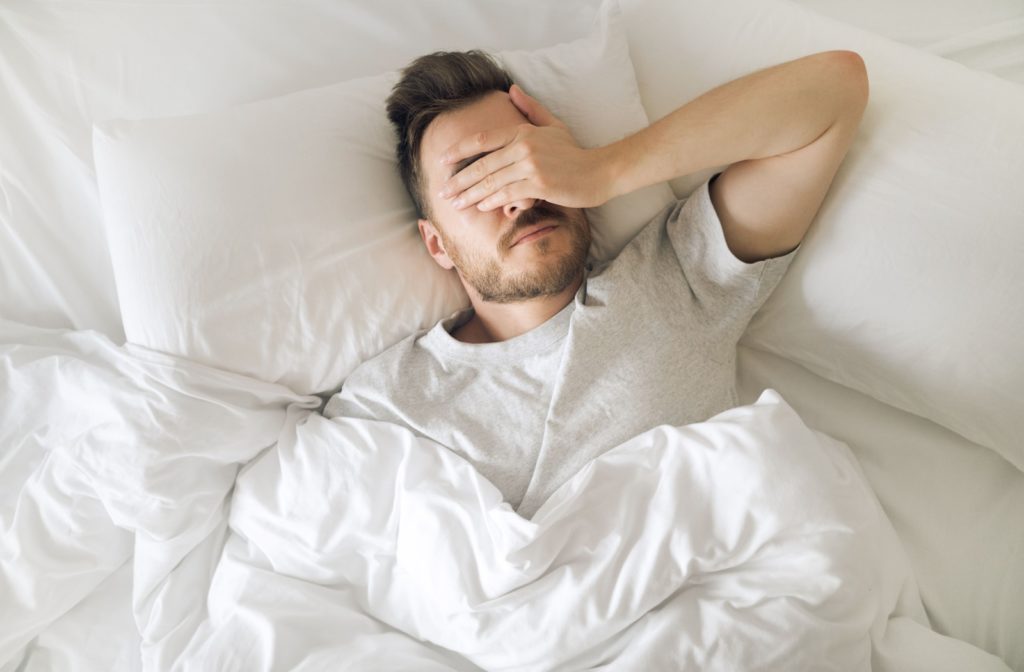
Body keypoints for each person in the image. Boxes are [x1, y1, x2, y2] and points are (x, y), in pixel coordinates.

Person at [324, 48, 868, 518]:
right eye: (475, 180)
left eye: (526, 160)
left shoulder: (677, 281)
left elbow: (834, 88)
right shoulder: (387, 401)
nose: (519, 194)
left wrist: (603, 170)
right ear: (436, 243)